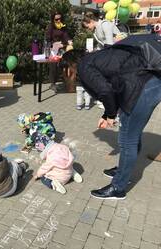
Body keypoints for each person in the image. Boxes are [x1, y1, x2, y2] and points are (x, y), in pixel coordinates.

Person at [63, 48, 161, 200]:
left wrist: (110, 115)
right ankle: (124, 170)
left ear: (71, 65)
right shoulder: (93, 59)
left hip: (142, 89)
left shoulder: (84, 67)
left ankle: (118, 187)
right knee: (132, 135)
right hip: (147, 85)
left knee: (127, 141)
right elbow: (113, 86)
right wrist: (105, 115)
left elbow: (106, 91)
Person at [45, 12, 72, 92]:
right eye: (56, 19)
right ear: (53, 19)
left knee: (63, 65)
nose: (58, 20)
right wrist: (54, 44)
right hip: (52, 49)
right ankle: (52, 84)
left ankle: (66, 82)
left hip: (61, 47)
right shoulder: (50, 27)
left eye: (60, 18)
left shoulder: (63, 26)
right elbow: (47, 38)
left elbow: (66, 36)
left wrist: (69, 41)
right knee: (53, 66)